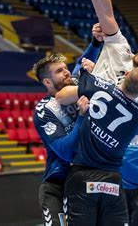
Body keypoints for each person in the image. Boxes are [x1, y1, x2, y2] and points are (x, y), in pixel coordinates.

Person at [56, 67, 138, 226]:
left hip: (82, 176)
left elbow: (60, 97)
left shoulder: (96, 83)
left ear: (126, 74)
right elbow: (135, 136)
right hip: (112, 180)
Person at [32, 53, 89, 226]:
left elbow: (83, 60)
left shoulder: (78, 86)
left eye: (66, 68)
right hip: (58, 184)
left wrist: (95, 41)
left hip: (87, 180)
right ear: (48, 82)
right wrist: (80, 116)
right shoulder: (45, 110)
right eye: (59, 71)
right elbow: (65, 152)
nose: (66, 72)